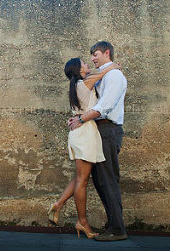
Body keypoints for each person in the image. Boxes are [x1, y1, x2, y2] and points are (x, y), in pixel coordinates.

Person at [48, 58, 118, 239]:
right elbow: (104, 71)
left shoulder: (76, 86)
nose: (88, 64)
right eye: (84, 63)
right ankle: (82, 221)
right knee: (83, 181)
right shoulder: (84, 82)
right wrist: (115, 65)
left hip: (82, 131)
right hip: (85, 132)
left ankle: (59, 204)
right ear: (78, 70)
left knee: (80, 178)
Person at [66, 41, 128, 241]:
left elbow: (106, 106)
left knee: (108, 180)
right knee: (100, 181)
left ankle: (118, 229)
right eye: (90, 56)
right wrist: (81, 118)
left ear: (107, 52)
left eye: (95, 55)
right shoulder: (99, 77)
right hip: (96, 130)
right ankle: (112, 224)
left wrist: (81, 118)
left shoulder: (115, 76)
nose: (92, 59)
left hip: (108, 129)